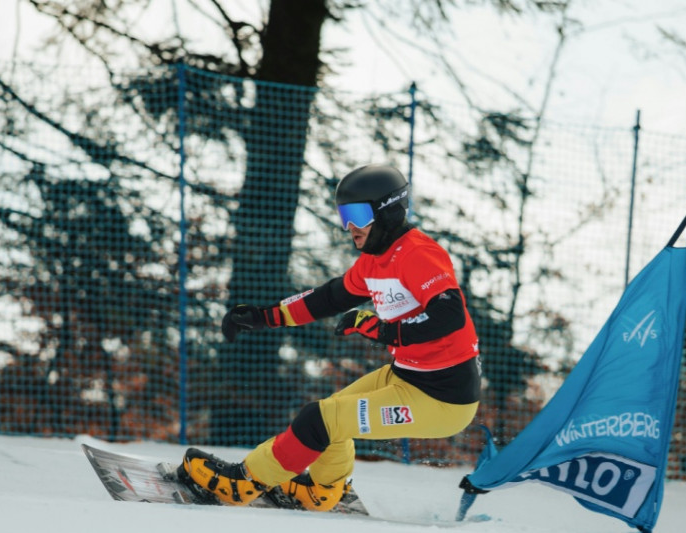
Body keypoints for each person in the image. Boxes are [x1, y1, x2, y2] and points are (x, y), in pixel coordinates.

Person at [178, 164, 481, 511]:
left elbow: (450, 315)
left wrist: (382, 331)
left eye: (356, 215)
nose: (349, 227)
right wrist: (265, 317)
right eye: (343, 216)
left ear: (387, 211)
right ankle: (323, 490)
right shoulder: (373, 261)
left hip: (443, 398)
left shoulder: (417, 253)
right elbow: (329, 298)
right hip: (406, 377)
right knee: (329, 415)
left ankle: (242, 484)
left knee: (319, 419)